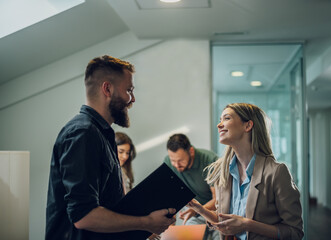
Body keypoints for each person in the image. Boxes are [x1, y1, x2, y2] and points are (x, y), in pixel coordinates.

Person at [46, 55, 175, 240]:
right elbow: (84, 216)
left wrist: (142, 228)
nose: (133, 99)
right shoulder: (82, 133)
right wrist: (146, 222)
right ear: (107, 89)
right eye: (129, 90)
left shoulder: (102, 135)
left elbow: (108, 207)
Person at [187, 103, 304, 240]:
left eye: (227, 118)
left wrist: (247, 225)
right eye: (220, 119)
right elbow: (223, 219)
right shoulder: (222, 172)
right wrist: (198, 208)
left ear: (247, 126)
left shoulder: (277, 172)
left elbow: (295, 232)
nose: (219, 125)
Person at [164, 133, 220, 240]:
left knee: (218, 237)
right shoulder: (168, 162)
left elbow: (217, 198)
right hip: (192, 212)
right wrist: (170, 226)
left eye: (180, 160)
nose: (176, 165)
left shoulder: (210, 160)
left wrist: (197, 210)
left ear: (191, 151)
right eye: (173, 160)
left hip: (215, 210)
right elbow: (169, 196)